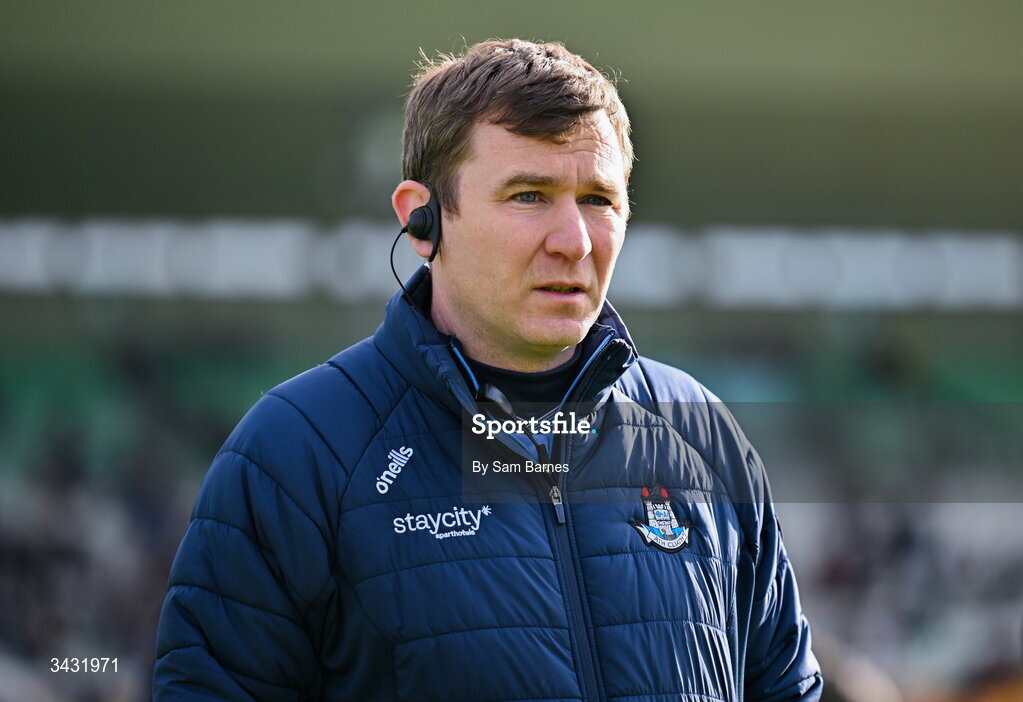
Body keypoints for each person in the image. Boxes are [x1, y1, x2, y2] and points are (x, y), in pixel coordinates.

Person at [153, 39, 822, 701]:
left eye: (599, 199)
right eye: (529, 196)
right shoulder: (295, 453)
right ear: (422, 221)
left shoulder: (700, 436)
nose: (574, 242)